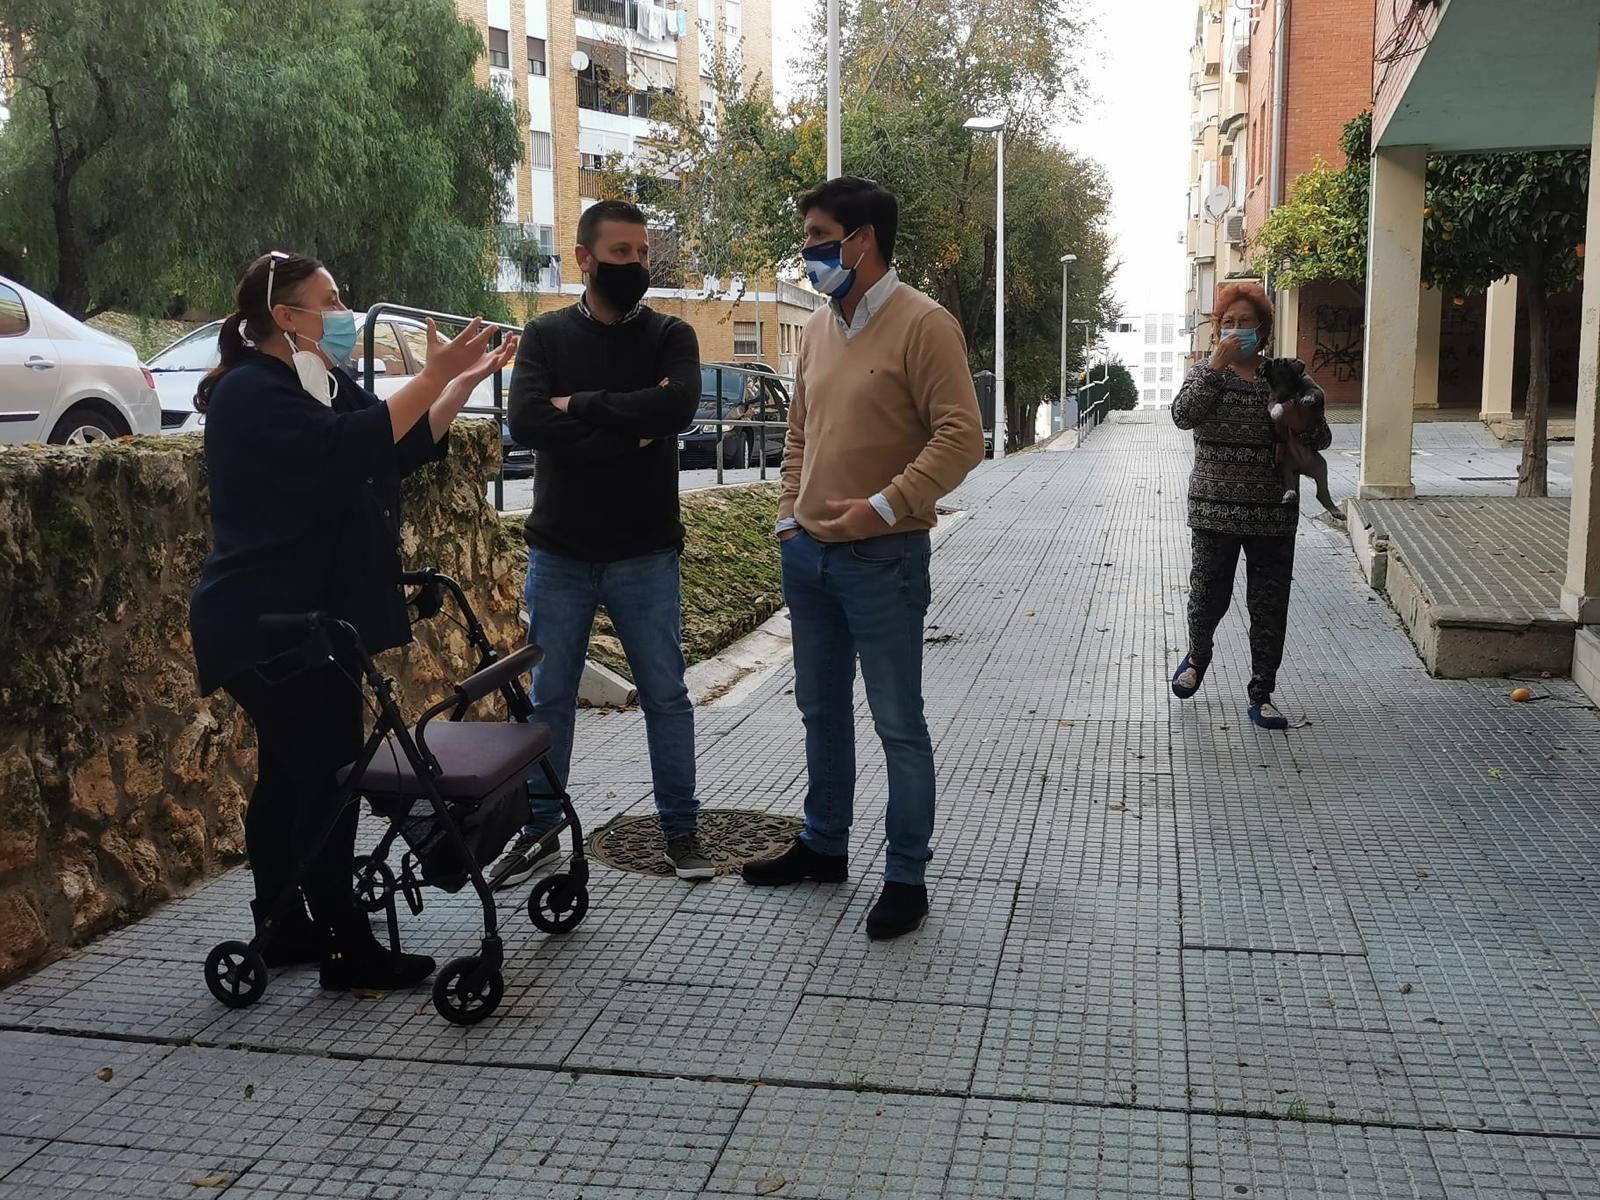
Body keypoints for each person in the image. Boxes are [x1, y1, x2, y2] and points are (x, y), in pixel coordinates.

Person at [189, 250, 514, 991]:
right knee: (327, 775)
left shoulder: (320, 380)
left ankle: (283, 926)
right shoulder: (250, 392)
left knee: (292, 774)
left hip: (307, 620)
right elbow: (343, 448)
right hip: (265, 623)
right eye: (330, 300)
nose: (343, 313)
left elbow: (385, 449)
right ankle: (344, 944)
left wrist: (457, 383)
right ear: (284, 315)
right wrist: (431, 375)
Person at [740, 177, 985, 940]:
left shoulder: (925, 325)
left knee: (897, 722)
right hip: (807, 557)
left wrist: (884, 505)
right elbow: (801, 434)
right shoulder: (817, 328)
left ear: (862, 240)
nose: (810, 250)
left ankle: (906, 875)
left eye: (818, 235)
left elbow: (961, 436)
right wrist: (789, 517)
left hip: (884, 558)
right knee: (820, 712)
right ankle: (822, 845)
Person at [493, 199, 710, 887]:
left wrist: (579, 405)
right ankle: (540, 829)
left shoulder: (672, 335)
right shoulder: (547, 336)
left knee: (667, 697)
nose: (636, 266)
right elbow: (526, 420)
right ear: (584, 258)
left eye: (643, 254)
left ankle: (682, 829)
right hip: (560, 555)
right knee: (549, 697)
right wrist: (630, 427)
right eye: (622, 255)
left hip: (646, 553)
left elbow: (675, 408)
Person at [1169, 282, 1331, 730]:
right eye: (1228, 323)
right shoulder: (1207, 371)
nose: (1236, 331)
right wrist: (1215, 369)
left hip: (1273, 511)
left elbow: (1321, 437)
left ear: (1263, 331)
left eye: (1245, 323)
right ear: (1216, 328)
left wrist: (1303, 418)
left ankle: (1262, 693)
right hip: (1214, 509)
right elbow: (1183, 416)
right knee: (1208, 595)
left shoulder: (1285, 377)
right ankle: (1198, 657)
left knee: (1269, 604)